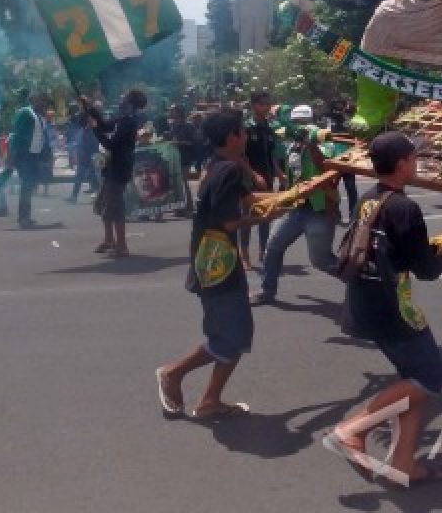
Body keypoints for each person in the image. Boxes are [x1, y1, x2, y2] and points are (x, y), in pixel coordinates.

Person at [329, 131, 442, 484]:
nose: (417, 163)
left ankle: (403, 463)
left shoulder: (369, 198)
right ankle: (352, 430)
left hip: (365, 301)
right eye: (414, 158)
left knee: (411, 382)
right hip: (392, 308)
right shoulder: (405, 208)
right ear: (402, 165)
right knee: (430, 378)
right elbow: (425, 270)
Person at [155, 108, 281, 419]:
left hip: (213, 261)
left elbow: (254, 194)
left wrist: (269, 188)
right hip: (217, 265)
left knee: (234, 335)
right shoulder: (227, 170)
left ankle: (210, 399)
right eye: (243, 131)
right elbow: (229, 221)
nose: (247, 136)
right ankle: (173, 373)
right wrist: (265, 216)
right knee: (233, 336)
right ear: (232, 136)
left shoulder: (219, 166)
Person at [249, 105, 340, 305]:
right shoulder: (292, 145)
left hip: (319, 208)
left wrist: (311, 144)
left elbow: (326, 167)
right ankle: (267, 290)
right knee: (273, 247)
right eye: (296, 123)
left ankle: (362, 284)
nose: (299, 126)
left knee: (321, 261)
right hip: (296, 207)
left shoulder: (323, 140)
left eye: (303, 123)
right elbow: (281, 159)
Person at [84, 89, 145, 257]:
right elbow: (105, 125)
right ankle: (109, 239)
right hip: (112, 166)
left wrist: (95, 129)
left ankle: (122, 245)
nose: (121, 100)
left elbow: (111, 144)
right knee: (104, 203)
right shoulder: (122, 119)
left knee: (115, 205)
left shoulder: (129, 122)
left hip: (120, 167)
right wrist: (90, 108)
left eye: (124, 99)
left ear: (131, 104)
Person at [240, 90, 283, 268]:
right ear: (253, 105)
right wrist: (253, 175)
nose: (266, 107)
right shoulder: (245, 127)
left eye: (268, 104)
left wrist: (279, 172)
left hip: (267, 176)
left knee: (265, 214)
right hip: (248, 177)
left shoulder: (268, 126)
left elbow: (272, 153)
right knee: (248, 215)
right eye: (262, 104)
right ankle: (244, 254)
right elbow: (241, 155)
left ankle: (263, 250)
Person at [9, 90, 50, 229]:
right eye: (40, 100)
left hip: (33, 156)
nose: (42, 103)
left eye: (43, 101)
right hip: (24, 156)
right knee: (27, 185)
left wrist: (45, 155)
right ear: (32, 100)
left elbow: (42, 136)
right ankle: (23, 218)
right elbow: (17, 134)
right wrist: (12, 155)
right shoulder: (25, 113)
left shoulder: (39, 115)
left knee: (30, 185)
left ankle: (26, 216)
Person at [67, 108, 100, 203]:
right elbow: (80, 144)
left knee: (89, 177)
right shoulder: (85, 131)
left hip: (89, 158)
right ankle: (74, 196)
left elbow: (92, 146)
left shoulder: (92, 132)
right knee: (85, 177)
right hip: (85, 158)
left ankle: (98, 196)